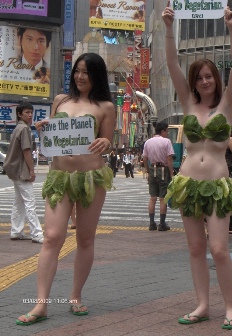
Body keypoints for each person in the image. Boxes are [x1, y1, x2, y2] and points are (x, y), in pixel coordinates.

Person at [15, 53, 115, 326]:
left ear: (97, 76)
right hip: (60, 176)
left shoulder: (106, 106)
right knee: (52, 237)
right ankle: (41, 304)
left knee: (85, 238)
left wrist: (105, 142)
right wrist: (42, 128)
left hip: (91, 177)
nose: (81, 77)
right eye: (78, 71)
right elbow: (51, 135)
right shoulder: (61, 100)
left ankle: (75, 296)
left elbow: (108, 139)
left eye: (87, 72)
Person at [162, 2, 232, 330]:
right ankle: (202, 305)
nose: (205, 80)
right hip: (187, 184)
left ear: (216, 79)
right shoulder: (187, 102)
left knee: (219, 249)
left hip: (218, 184)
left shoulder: (227, 104)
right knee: (196, 248)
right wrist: (168, 28)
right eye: (200, 77)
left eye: (209, 76)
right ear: (194, 82)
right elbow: (171, 64)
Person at [3, 102, 44, 244]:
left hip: (14, 170)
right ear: (19, 114)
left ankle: (16, 230)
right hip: (21, 170)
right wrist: (32, 170)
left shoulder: (17, 128)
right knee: (29, 202)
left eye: (31, 112)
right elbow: (26, 151)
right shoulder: (25, 129)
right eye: (27, 112)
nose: (30, 115)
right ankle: (37, 233)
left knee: (19, 202)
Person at [142, 122, 174, 232]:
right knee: (162, 198)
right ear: (162, 131)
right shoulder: (166, 142)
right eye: (167, 131)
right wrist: (171, 172)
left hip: (152, 168)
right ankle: (162, 223)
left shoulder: (148, 142)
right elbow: (169, 158)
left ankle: (151, 223)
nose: (168, 133)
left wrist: (148, 171)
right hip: (163, 169)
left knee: (152, 198)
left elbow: (145, 158)